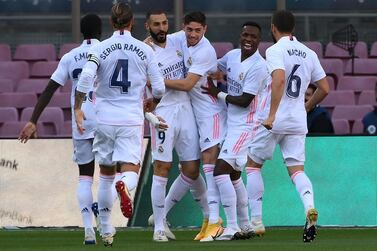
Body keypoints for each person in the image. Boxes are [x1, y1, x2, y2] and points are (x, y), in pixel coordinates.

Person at [74, 2, 165, 247]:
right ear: (132, 21)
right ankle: (124, 185)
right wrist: (153, 102)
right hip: (130, 119)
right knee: (130, 170)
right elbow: (159, 87)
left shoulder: (101, 48)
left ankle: (105, 229)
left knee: (104, 174)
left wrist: (77, 107)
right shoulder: (144, 50)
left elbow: (85, 78)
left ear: (112, 22)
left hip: (103, 119)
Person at [18, 13, 102, 245]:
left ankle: (88, 229)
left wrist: (33, 119)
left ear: (81, 32)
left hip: (81, 120)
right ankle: (104, 219)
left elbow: (49, 89)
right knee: (112, 174)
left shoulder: (70, 56)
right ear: (100, 31)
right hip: (105, 119)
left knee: (85, 176)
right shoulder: (107, 50)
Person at [247, 10, 330, 242]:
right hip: (297, 119)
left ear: (273, 28)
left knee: (253, 165)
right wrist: (306, 108)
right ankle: (309, 208)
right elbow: (324, 88)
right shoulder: (309, 52)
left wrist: (272, 115)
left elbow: (280, 79)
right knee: (297, 170)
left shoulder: (274, 50)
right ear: (293, 28)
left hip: (275, 119)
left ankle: (256, 221)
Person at [144, 10, 209, 242]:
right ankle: (159, 227)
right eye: (156, 24)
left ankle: (208, 218)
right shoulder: (144, 51)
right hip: (163, 113)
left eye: (164, 23)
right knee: (161, 167)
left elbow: (199, 35)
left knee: (191, 169)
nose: (161, 28)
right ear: (147, 26)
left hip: (186, 109)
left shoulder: (179, 39)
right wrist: (147, 110)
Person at [202, 21, 270, 241]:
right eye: (245, 35)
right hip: (232, 124)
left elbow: (244, 100)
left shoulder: (259, 66)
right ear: (240, 36)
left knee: (220, 171)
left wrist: (217, 92)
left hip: (246, 125)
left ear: (259, 41)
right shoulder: (231, 56)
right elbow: (214, 69)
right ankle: (246, 224)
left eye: (253, 37)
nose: (248, 40)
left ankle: (231, 227)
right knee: (233, 176)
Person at [164, 11, 227, 242]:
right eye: (189, 30)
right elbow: (159, 41)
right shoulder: (181, 37)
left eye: (197, 31)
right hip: (194, 114)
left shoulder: (206, 51)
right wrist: (146, 43)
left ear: (205, 30)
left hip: (211, 114)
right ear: (184, 27)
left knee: (211, 168)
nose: (192, 34)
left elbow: (189, 84)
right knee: (191, 170)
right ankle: (206, 219)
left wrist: (158, 82)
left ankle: (217, 222)